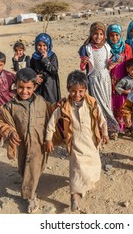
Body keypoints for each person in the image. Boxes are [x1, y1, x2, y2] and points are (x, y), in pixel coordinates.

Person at [45, 70, 109, 211]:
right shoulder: (65, 106)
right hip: (75, 143)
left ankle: (83, 186)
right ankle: (74, 196)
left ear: (86, 90)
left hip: (91, 143)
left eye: (81, 91)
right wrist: (48, 139)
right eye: (73, 91)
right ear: (68, 90)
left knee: (93, 166)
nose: (77, 94)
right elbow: (52, 122)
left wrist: (105, 133)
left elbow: (102, 119)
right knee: (76, 170)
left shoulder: (92, 103)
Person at [0, 68, 60, 214]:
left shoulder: (41, 101)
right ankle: (30, 195)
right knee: (24, 167)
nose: (24, 91)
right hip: (23, 145)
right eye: (20, 87)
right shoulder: (10, 106)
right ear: (15, 86)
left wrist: (56, 107)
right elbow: (2, 123)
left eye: (28, 88)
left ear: (35, 87)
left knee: (36, 167)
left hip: (39, 144)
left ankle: (30, 189)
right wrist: (11, 132)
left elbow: (50, 112)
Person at [78, 21, 119, 138]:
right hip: (94, 80)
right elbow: (82, 68)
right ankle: (100, 128)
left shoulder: (107, 47)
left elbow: (109, 64)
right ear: (91, 34)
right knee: (97, 105)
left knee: (107, 103)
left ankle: (111, 127)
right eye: (96, 34)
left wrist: (115, 61)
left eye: (101, 34)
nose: (98, 37)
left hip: (105, 80)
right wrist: (83, 63)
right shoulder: (86, 48)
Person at [106, 23, 133, 134]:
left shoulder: (126, 48)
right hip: (110, 81)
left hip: (124, 80)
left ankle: (125, 126)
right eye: (112, 35)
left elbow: (130, 63)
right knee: (112, 102)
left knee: (123, 103)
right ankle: (113, 127)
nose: (114, 38)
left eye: (117, 35)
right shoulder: (106, 47)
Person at [30, 33, 61, 104]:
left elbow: (54, 70)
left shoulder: (52, 56)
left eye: (44, 45)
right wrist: (35, 77)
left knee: (51, 105)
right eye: (39, 45)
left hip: (49, 84)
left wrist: (45, 60)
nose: (42, 48)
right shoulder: (34, 57)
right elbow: (31, 70)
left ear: (48, 46)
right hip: (38, 85)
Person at [115, 57, 133, 138]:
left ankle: (128, 130)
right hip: (127, 103)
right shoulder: (125, 80)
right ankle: (132, 132)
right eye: (132, 69)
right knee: (127, 117)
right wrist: (125, 91)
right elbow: (117, 87)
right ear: (127, 69)